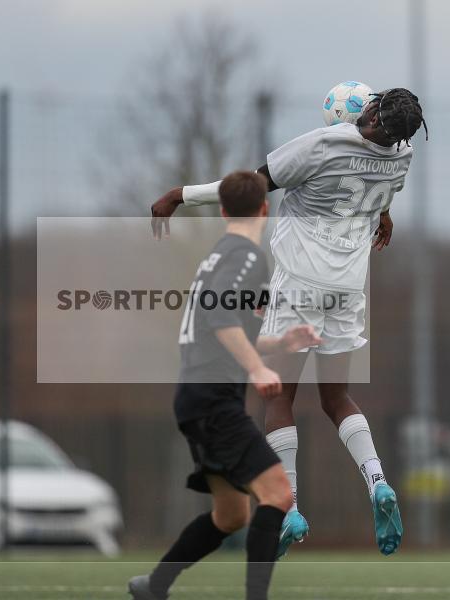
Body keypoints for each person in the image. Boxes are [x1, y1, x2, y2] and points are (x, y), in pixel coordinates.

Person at [149, 88, 427, 558]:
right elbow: (375, 187)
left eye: (375, 118)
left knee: (277, 396)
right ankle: (378, 480)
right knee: (336, 397)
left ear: (372, 110)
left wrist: (180, 195)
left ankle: (288, 510)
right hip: (349, 288)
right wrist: (383, 213)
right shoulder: (405, 153)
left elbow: (250, 188)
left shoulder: (324, 143)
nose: (370, 123)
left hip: (300, 282)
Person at [129, 171, 321, 600]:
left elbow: (228, 326)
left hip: (196, 399)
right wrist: (258, 369)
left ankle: (154, 586)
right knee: (278, 494)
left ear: (221, 211)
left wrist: (281, 343)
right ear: (265, 209)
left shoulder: (220, 254)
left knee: (232, 516)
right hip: (214, 401)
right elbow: (220, 320)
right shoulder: (246, 256)